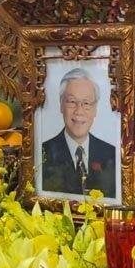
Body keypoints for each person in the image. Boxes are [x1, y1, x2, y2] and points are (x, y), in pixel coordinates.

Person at [40, 67, 117, 198]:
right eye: (72, 102)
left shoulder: (111, 154)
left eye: (86, 103)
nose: (79, 111)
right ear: (61, 105)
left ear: (95, 109)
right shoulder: (43, 153)